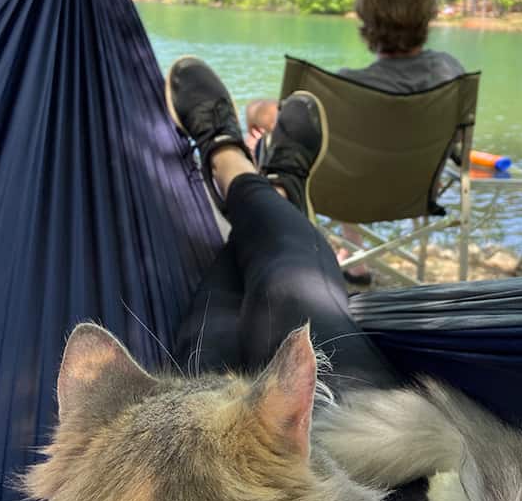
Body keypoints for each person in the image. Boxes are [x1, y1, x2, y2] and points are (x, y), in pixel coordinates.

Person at [167, 55, 399, 389]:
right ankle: (275, 189)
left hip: (200, 424)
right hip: (350, 421)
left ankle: (230, 165)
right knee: (295, 300)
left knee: (208, 365)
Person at [244, 0, 466, 283]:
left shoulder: (343, 88)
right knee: (357, 151)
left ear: (366, 21)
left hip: (342, 191)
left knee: (270, 119)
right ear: (428, 17)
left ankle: (294, 252)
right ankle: (356, 262)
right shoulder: (450, 72)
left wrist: (262, 147)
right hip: (415, 193)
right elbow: (457, 140)